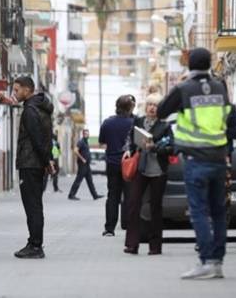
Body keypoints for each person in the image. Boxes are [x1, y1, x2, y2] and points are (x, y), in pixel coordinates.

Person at [157, 47, 231, 279]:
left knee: (198, 211)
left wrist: (179, 91)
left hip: (195, 158)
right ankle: (217, 262)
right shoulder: (220, 87)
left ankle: (206, 261)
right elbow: (229, 118)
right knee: (219, 212)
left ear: (189, 65)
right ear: (210, 64)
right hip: (219, 157)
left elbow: (161, 111)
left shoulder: (184, 88)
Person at [123, 93, 173, 255]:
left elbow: (171, 148)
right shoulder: (138, 122)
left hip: (157, 170)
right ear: (146, 106)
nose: (152, 108)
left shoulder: (165, 126)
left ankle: (155, 246)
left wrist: (155, 148)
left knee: (155, 208)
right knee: (133, 204)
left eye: (156, 105)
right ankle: (132, 244)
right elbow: (131, 139)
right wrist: (128, 151)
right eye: (150, 104)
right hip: (140, 168)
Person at [12, 76, 55, 259]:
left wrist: (47, 161)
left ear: (27, 90)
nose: (14, 93)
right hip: (37, 163)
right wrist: (48, 160)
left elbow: (38, 139)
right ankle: (34, 243)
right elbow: (46, 137)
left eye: (17, 90)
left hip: (30, 163)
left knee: (32, 206)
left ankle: (35, 246)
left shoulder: (30, 110)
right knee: (35, 205)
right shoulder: (41, 108)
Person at [98, 95, 135, 236]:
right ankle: (127, 224)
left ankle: (109, 228)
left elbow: (102, 140)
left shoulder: (107, 122)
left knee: (112, 195)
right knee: (130, 195)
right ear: (130, 107)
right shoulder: (134, 123)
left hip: (112, 163)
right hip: (129, 163)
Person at [67, 129, 104, 201]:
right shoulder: (81, 142)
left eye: (88, 134)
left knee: (90, 181)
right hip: (82, 165)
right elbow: (75, 150)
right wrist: (82, 159)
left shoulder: (86, 142)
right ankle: (71, 195)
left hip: (87, 165)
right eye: (86, 134)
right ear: (83, 134)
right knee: (78, 180)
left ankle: (95, 195)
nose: (87, 135)